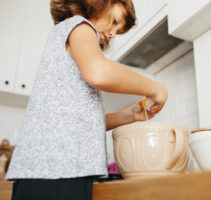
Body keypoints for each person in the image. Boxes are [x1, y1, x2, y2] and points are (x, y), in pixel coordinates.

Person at [5, 0, 168, 199]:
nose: (113, 34)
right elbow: (98, 72)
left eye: (119, 31)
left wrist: (129, 115)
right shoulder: (79, 26)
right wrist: (155, 87)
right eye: (115, 21)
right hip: (55, 169)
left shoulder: (71, 34)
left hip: (53, 169)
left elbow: (80, 122)